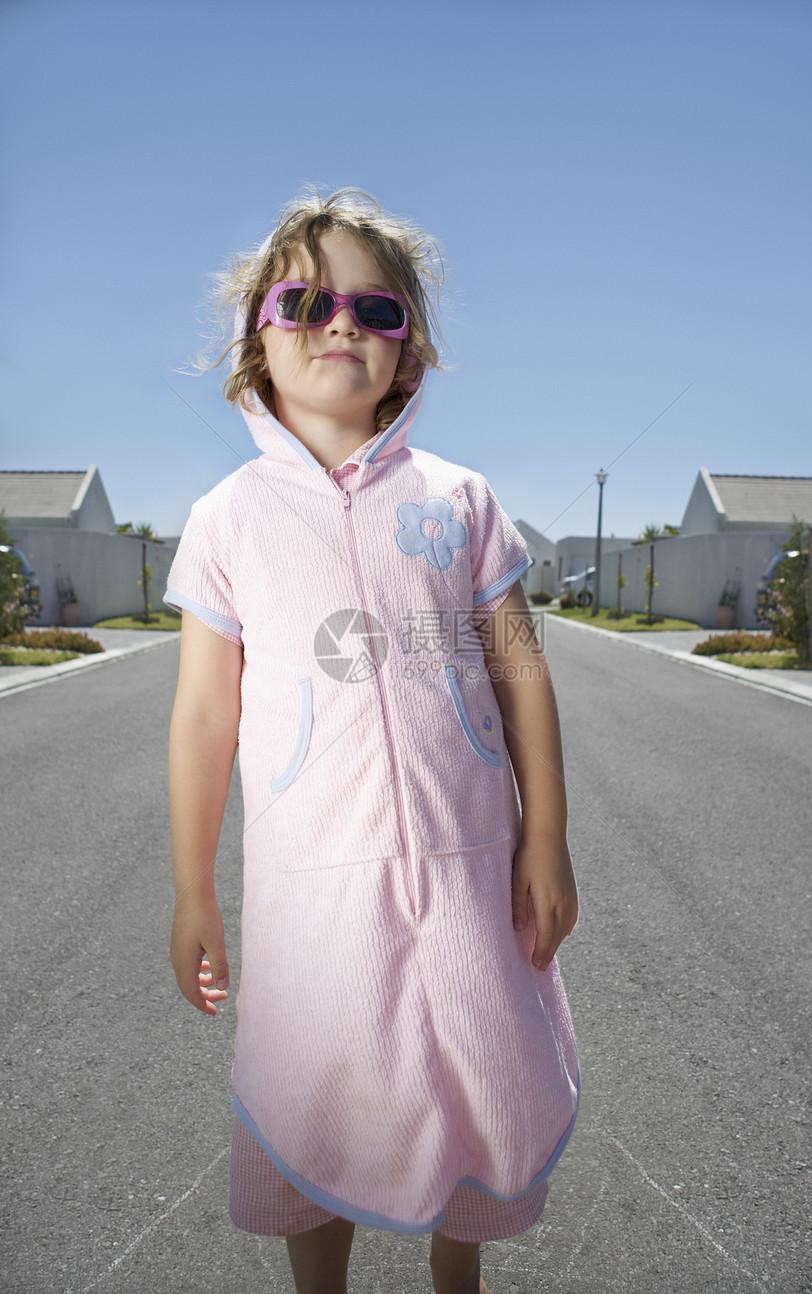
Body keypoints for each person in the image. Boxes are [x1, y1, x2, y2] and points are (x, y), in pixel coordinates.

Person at [166, 188, 579, 1294]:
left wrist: (547, 834)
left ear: (411, 353)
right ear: (257, 335)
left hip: (468, 864)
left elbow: (520, 668)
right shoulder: (227, 518)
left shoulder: (461, 499)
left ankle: (459, 1274)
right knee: (318, 1092)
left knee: (480, 1077)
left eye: (375, 309)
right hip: (315, 881)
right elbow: (205, 714)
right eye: (303, 300)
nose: (339, 323)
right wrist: (192, 885)